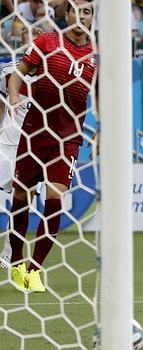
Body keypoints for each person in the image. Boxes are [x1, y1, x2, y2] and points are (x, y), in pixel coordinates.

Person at [6, 0, 96, 294]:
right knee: (22, 194)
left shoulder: (97, 56)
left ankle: (35, 269)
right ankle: (17, 261)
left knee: (55, 198)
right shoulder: (47, 42)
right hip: (35, 130)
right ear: (67, 15)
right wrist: (14, 96)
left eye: (87, 12)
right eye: (77, 11)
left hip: (68, 137)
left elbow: (104, 94)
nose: (81, 16)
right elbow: (18, 73)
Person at [0, 61, 34, 271]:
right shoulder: (8, 72)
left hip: (33, 148)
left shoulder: (53, 71)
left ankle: (8, 254)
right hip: (7, 144)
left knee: (23, 202)